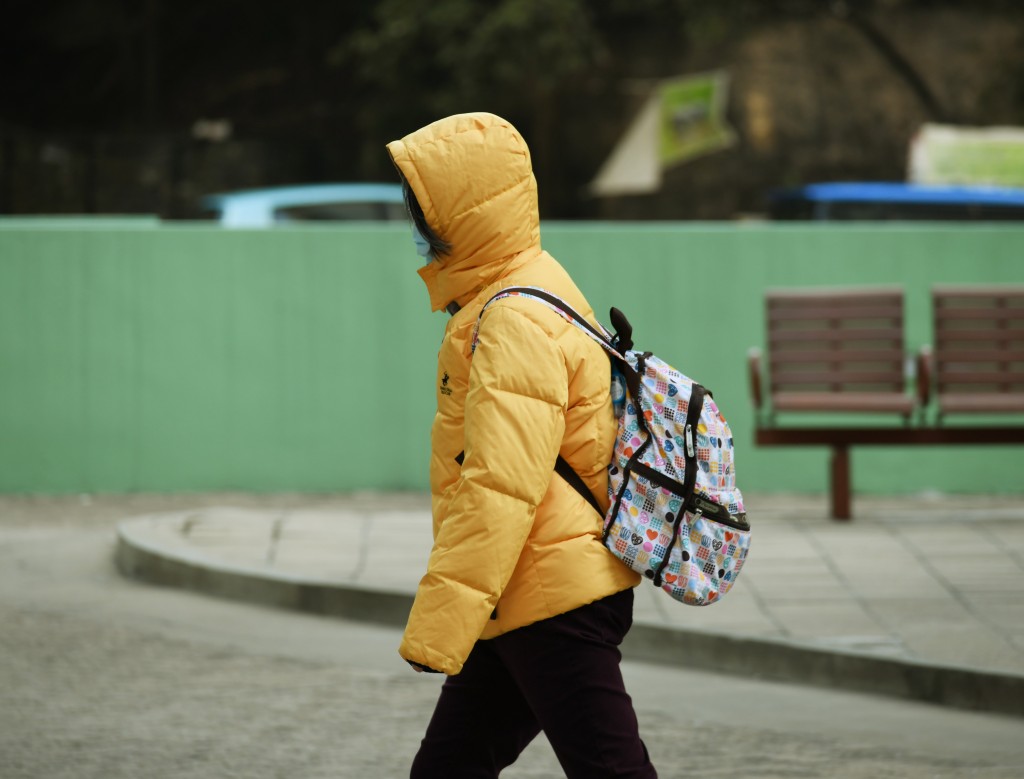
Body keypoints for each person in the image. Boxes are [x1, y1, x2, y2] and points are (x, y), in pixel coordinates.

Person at [387, 112, 657, 779]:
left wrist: (440, 623)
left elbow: (501, 484)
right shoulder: (526, 283)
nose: (418, 231)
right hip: (527, 587)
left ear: (463, 213)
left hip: (552, 595)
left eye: (425, 213)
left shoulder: (512, 316)